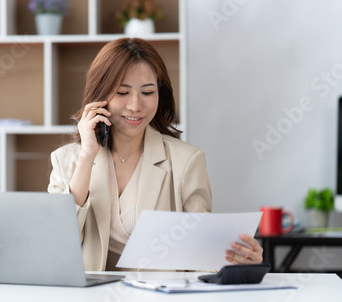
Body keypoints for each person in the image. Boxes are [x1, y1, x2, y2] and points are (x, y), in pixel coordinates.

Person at [48, 38, 263, 271]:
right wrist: (87, 156)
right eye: (122, 92)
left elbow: (201, 256)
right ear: (99, 96)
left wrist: (237, 261)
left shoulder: (187, 161)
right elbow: (54, 242)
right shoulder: (66, 161)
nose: (135, 105)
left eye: (148, 92)